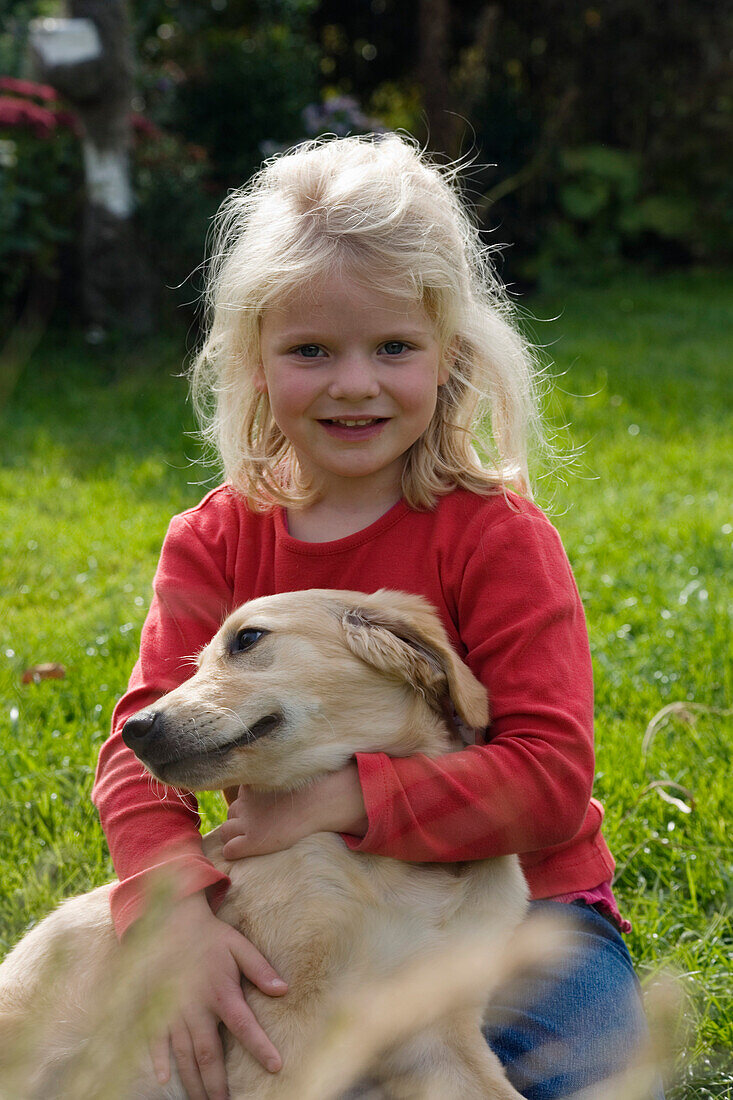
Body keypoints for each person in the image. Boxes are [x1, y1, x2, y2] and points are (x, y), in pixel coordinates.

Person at [93, 133, 659, 1100]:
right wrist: (175, 912)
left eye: (392, 347)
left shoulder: (497, 539)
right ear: (255, 364)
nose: (354, 382)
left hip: (528, 913)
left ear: (450, 357)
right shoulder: (218, 538)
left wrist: (343, 799)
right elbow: (142, 742)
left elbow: (550, 780)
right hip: (315, 911)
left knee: (587, 1080)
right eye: (311, 350)